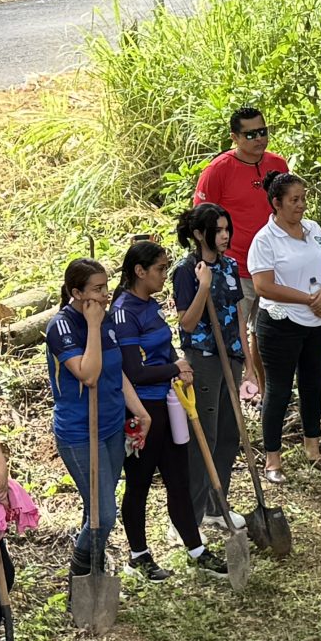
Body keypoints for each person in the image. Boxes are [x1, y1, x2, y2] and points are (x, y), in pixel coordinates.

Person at [111, 239, 214, 577]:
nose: (164, 275)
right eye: (159, 269)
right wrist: (175, 369)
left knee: (178, 478)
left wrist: (177, 362)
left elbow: (165, 346)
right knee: (139, 482)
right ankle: (139, 555)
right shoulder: (124, 312)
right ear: (139, 272)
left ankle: (196, 548)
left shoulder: (151, 306)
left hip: (168, 403)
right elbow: (133, 371)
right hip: (140, 409)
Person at [47, 260, 146, 580]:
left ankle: (95, 566)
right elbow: (88, 375)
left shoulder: (109, 320)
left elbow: (114, 370)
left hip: (111, 425)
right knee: (104, 513)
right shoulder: (61, 327)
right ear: (76, 293)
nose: (106, 295)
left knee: (97, 507)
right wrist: (91, 325)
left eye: (106, 286)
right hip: (79, 432)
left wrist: (139, 410)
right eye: (97, 289)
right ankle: (79, 574)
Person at [247, 173, 321, 481]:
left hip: (318, 319)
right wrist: (307, 298)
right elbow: (263, 286)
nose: (301, 205)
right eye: (294, 200)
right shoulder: (265, 239)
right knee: (279, 389)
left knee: (313, 383)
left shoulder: (313, 229)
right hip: (281, 323)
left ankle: (313, 447)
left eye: (303, 198)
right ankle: (272, 458)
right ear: (277, 203)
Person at [172, 205, 259, 521]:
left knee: (228, 433)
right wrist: (204, 286)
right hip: (204, 359)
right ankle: (189, 516)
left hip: (231, 358)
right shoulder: (186, 270)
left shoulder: (231, 266)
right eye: (218, 230)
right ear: (199, 234)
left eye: (227, 229)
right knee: (204, 437)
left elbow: (238, 317)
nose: (225, 236)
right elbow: (188, 323)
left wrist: (248, 364)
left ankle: (216, 505)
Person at [192, 105, 289, 276]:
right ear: (234, 137)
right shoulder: (218, 169)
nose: (259, 138)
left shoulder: (278, 164)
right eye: (250, 135)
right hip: (234, 268)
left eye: (262, 132)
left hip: (276, 265)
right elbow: (200, 218)